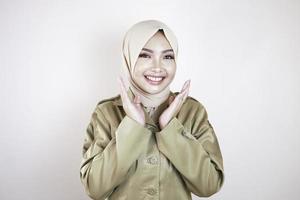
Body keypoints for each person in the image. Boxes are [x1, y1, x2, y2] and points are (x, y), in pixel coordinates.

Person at [79, 19, 225, 200]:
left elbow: (209, 185)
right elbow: (94, 188)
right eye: (145, 55)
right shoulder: (107, 113)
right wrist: (132, 126)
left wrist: (170, 127)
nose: (158, 67)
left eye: (167, 56)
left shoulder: (192, 111)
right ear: (129, 58)